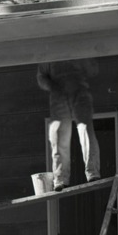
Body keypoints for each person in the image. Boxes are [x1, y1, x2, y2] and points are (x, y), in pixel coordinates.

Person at [36, 59, 100, 187]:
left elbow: (93, 68)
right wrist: (52, 86)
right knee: (59, 136)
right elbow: (41, 76)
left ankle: (93, 173)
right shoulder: (48, 54)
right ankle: (60, 178)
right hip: (58, 94)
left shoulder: (77, 47)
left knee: (85, 130)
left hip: (79, 91)